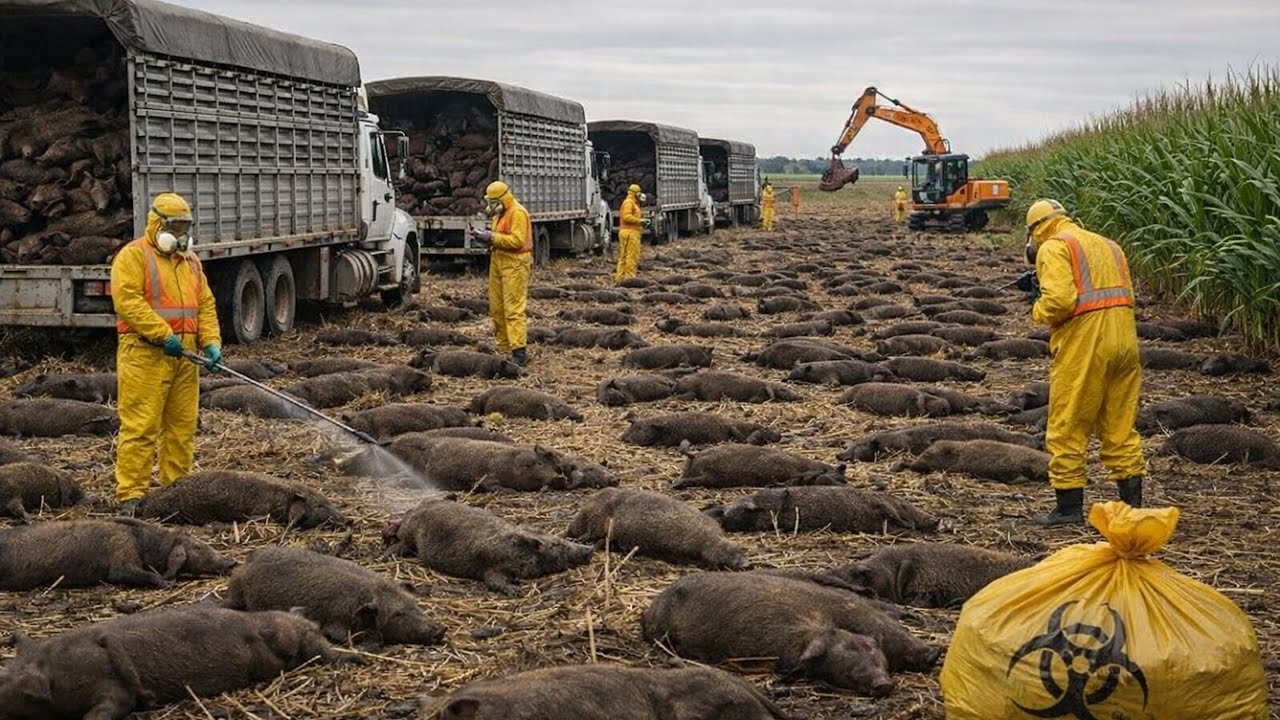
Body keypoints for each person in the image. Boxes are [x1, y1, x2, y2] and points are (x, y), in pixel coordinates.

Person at [1024, 198, 1145, 527]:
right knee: (1120, 426)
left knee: (1067, 425)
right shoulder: (1109, 245)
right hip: (1125, 342)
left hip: (1086, 343)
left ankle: (1068, 508)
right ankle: (1132, 507)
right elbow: (1127, 294)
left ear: (1037, 228)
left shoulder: (1053, 246)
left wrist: (1036, 308)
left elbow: (1061, 302)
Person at [110, 192, 220, 515]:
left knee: (181, 429)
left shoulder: (191, 262)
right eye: (177, 227)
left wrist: (211, 341)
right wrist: (162, 334)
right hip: (145, 355)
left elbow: (206, 305)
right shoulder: (133, 257)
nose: (183, 235)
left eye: (187, 227)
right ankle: (131, 497)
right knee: (140, 428)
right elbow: (128, 302)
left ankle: (176, 495)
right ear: (157, 224)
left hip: (185, 359)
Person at [470, 181, 532, 367]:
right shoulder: (500, 213)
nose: (491, 206)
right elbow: (500, 237)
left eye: (494, 202)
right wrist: (485, 237)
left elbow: (517, 241)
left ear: (504, 198)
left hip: (515, 263)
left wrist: (493, 237)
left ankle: (518, 352)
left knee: (513, 308)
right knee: (497, 307)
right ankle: (504, 347)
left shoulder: (518, 213)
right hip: (498, 260)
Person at [615, 184, 644, 282]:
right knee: (631, 256)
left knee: (623, 256)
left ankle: (620, 278)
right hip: (630, 233)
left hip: (626, 232)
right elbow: (626, 217)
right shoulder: (629, 203)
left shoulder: (632, 203)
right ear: (636, 193)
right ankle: (629, 279)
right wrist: (640, 221)